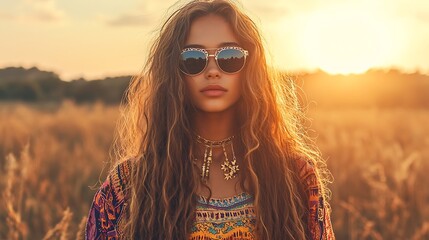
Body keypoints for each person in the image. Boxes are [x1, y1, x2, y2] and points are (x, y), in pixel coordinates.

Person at [85, 0, 335, 239]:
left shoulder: (296, 176)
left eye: (230, 57)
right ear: (173, 72)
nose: (213, 71)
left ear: (251, 68)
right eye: (193, 59)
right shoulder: (130, 182)